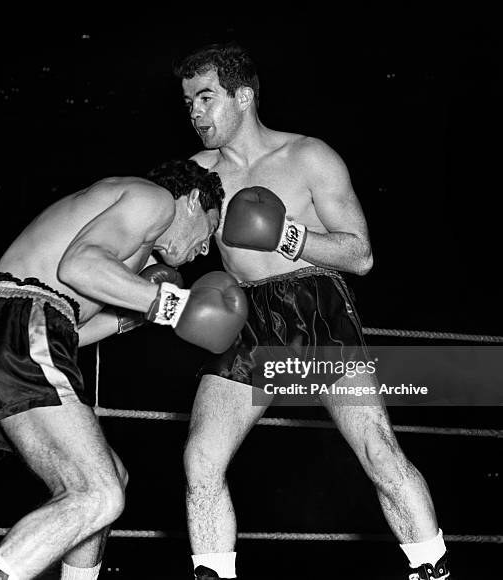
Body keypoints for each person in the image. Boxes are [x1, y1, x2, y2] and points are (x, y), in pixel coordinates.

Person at [174, 43, 449, 580]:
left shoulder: (308, 156)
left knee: (377, 449)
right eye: (187, 103)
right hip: (244, 311)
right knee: (200, 458)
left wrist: (286, 235)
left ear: (244, 96)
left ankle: (431, 568)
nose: (195, 114)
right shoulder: (196, 173)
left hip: (314, 302)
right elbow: (161, 239)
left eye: (205, 98)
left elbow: (360, 254)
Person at [0, 159, 249, 580]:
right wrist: (170, 304)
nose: (204, 250)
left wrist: (138, 315)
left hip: (12, 333)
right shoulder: (156, 200)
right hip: (22, 321)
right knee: (97, 493)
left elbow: (72, 330)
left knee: (112, 478)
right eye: (208, 229)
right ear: (194, 201)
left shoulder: (130, 243)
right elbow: (78, 266)